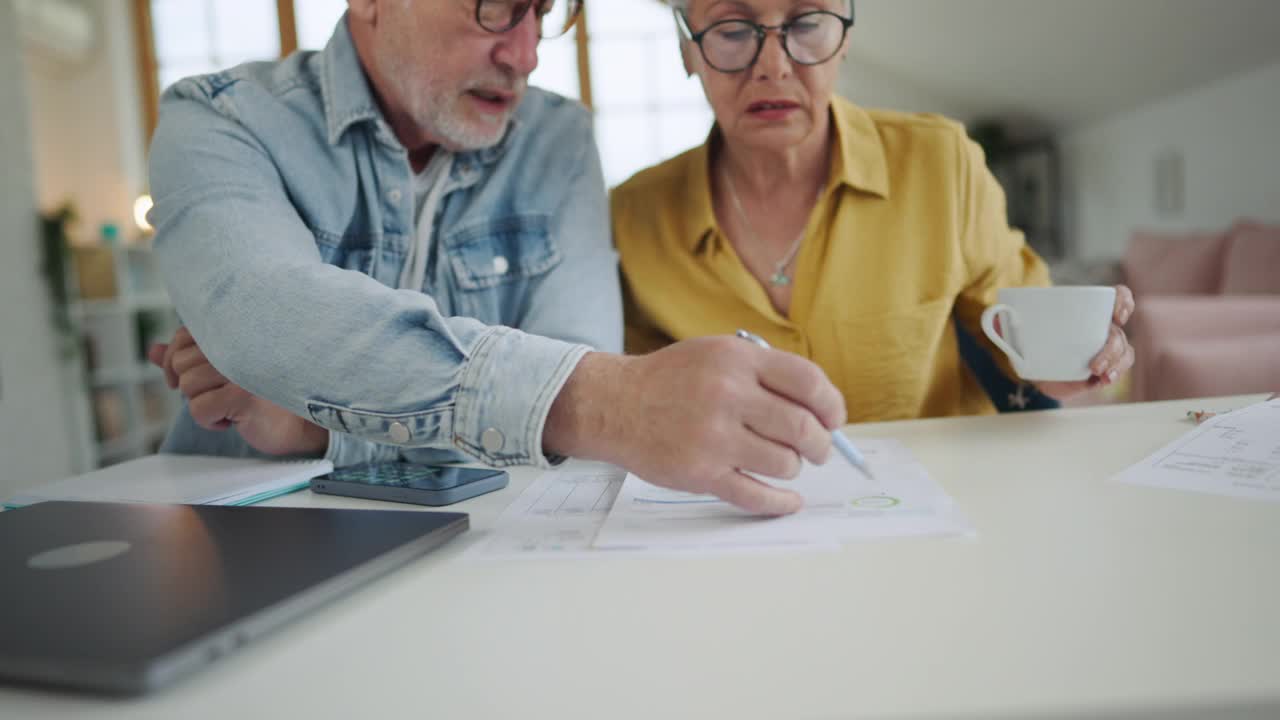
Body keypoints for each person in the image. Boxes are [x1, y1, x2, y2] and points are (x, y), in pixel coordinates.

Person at [147, 0, 846, 516]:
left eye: (541, 13)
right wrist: (608, 403)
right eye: (496, 9)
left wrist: (313, 422)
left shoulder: (557, 139)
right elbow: (265, 320)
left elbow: (568, 374)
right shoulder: (218, 122)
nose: (527, 53)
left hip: (487, 553)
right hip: (244, 537)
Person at [611, 0, 1136, 422]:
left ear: (846, 39)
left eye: (808, 22)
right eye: (731, 30)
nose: (773, 67)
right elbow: (646, 395)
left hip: (938, 510)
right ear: (688, 49)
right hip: (731, 518)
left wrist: (1074, 359)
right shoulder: (634, 213)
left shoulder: (940, 162)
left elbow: (1020, 342)